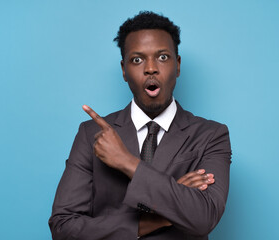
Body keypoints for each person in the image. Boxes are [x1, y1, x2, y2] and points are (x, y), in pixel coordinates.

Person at [49, 11, 231, 240]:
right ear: (124, 70)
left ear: (178, 65)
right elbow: (63, 229)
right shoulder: (91, 134)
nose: (151, 68)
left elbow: (204, 218)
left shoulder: (211, 135)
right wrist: (157, 219)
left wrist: (127, 162)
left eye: (163, 57)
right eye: (137, 59)